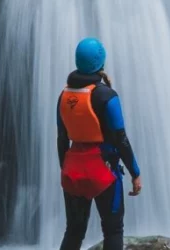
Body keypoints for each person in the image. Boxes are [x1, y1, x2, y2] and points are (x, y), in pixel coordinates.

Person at [57, 38, 142, 250]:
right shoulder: (107, 96)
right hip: (103, 171)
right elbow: (121, 139)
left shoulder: (64, 96)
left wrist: (65, 169)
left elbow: (61, 138)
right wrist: (135, 173)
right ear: (101, 62)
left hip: (73, 170)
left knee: (74, 231)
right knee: (113, 230)